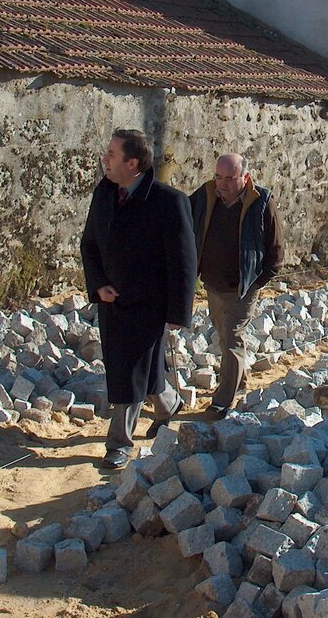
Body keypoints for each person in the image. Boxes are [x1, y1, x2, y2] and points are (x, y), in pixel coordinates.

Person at [80, 128, 197, 469]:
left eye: (112, 154)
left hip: (149, 303)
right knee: (135, 367)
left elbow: (183, 261)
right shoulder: (104, 193)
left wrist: (179, 311)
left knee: (128, 370)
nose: (106, 159)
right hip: (111, 302)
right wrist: (98, 284)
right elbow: (89, 244)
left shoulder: (168, 201)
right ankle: (168, 403)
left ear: (132, 163)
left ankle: (119, 443)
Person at [190, 154, 284, 418]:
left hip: (243, 286)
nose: (222, 184)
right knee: (223, 334)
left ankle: (223, 400)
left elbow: (275, 248)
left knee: (232, 337)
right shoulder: (206, 195)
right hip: (212, 283)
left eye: (229, 178)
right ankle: (239, 382)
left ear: (246, 177)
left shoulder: (261, 202)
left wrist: (259, 281)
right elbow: (179, 213)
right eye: (218, 177)